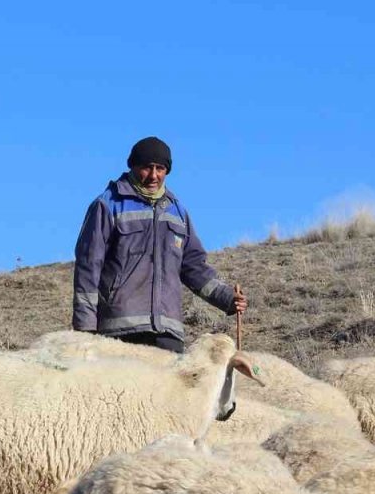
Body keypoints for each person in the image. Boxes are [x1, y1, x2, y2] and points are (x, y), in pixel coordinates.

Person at [72, 136, 248, 353]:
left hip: (168, 333)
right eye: (146, 167)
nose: (153, 175)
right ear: (133, 166)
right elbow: (88, 269)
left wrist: (227, 298)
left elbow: (194, 267)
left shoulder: (178, 212)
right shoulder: (107, 205)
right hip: (119, 333)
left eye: (160, 168)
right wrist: (85, 328)